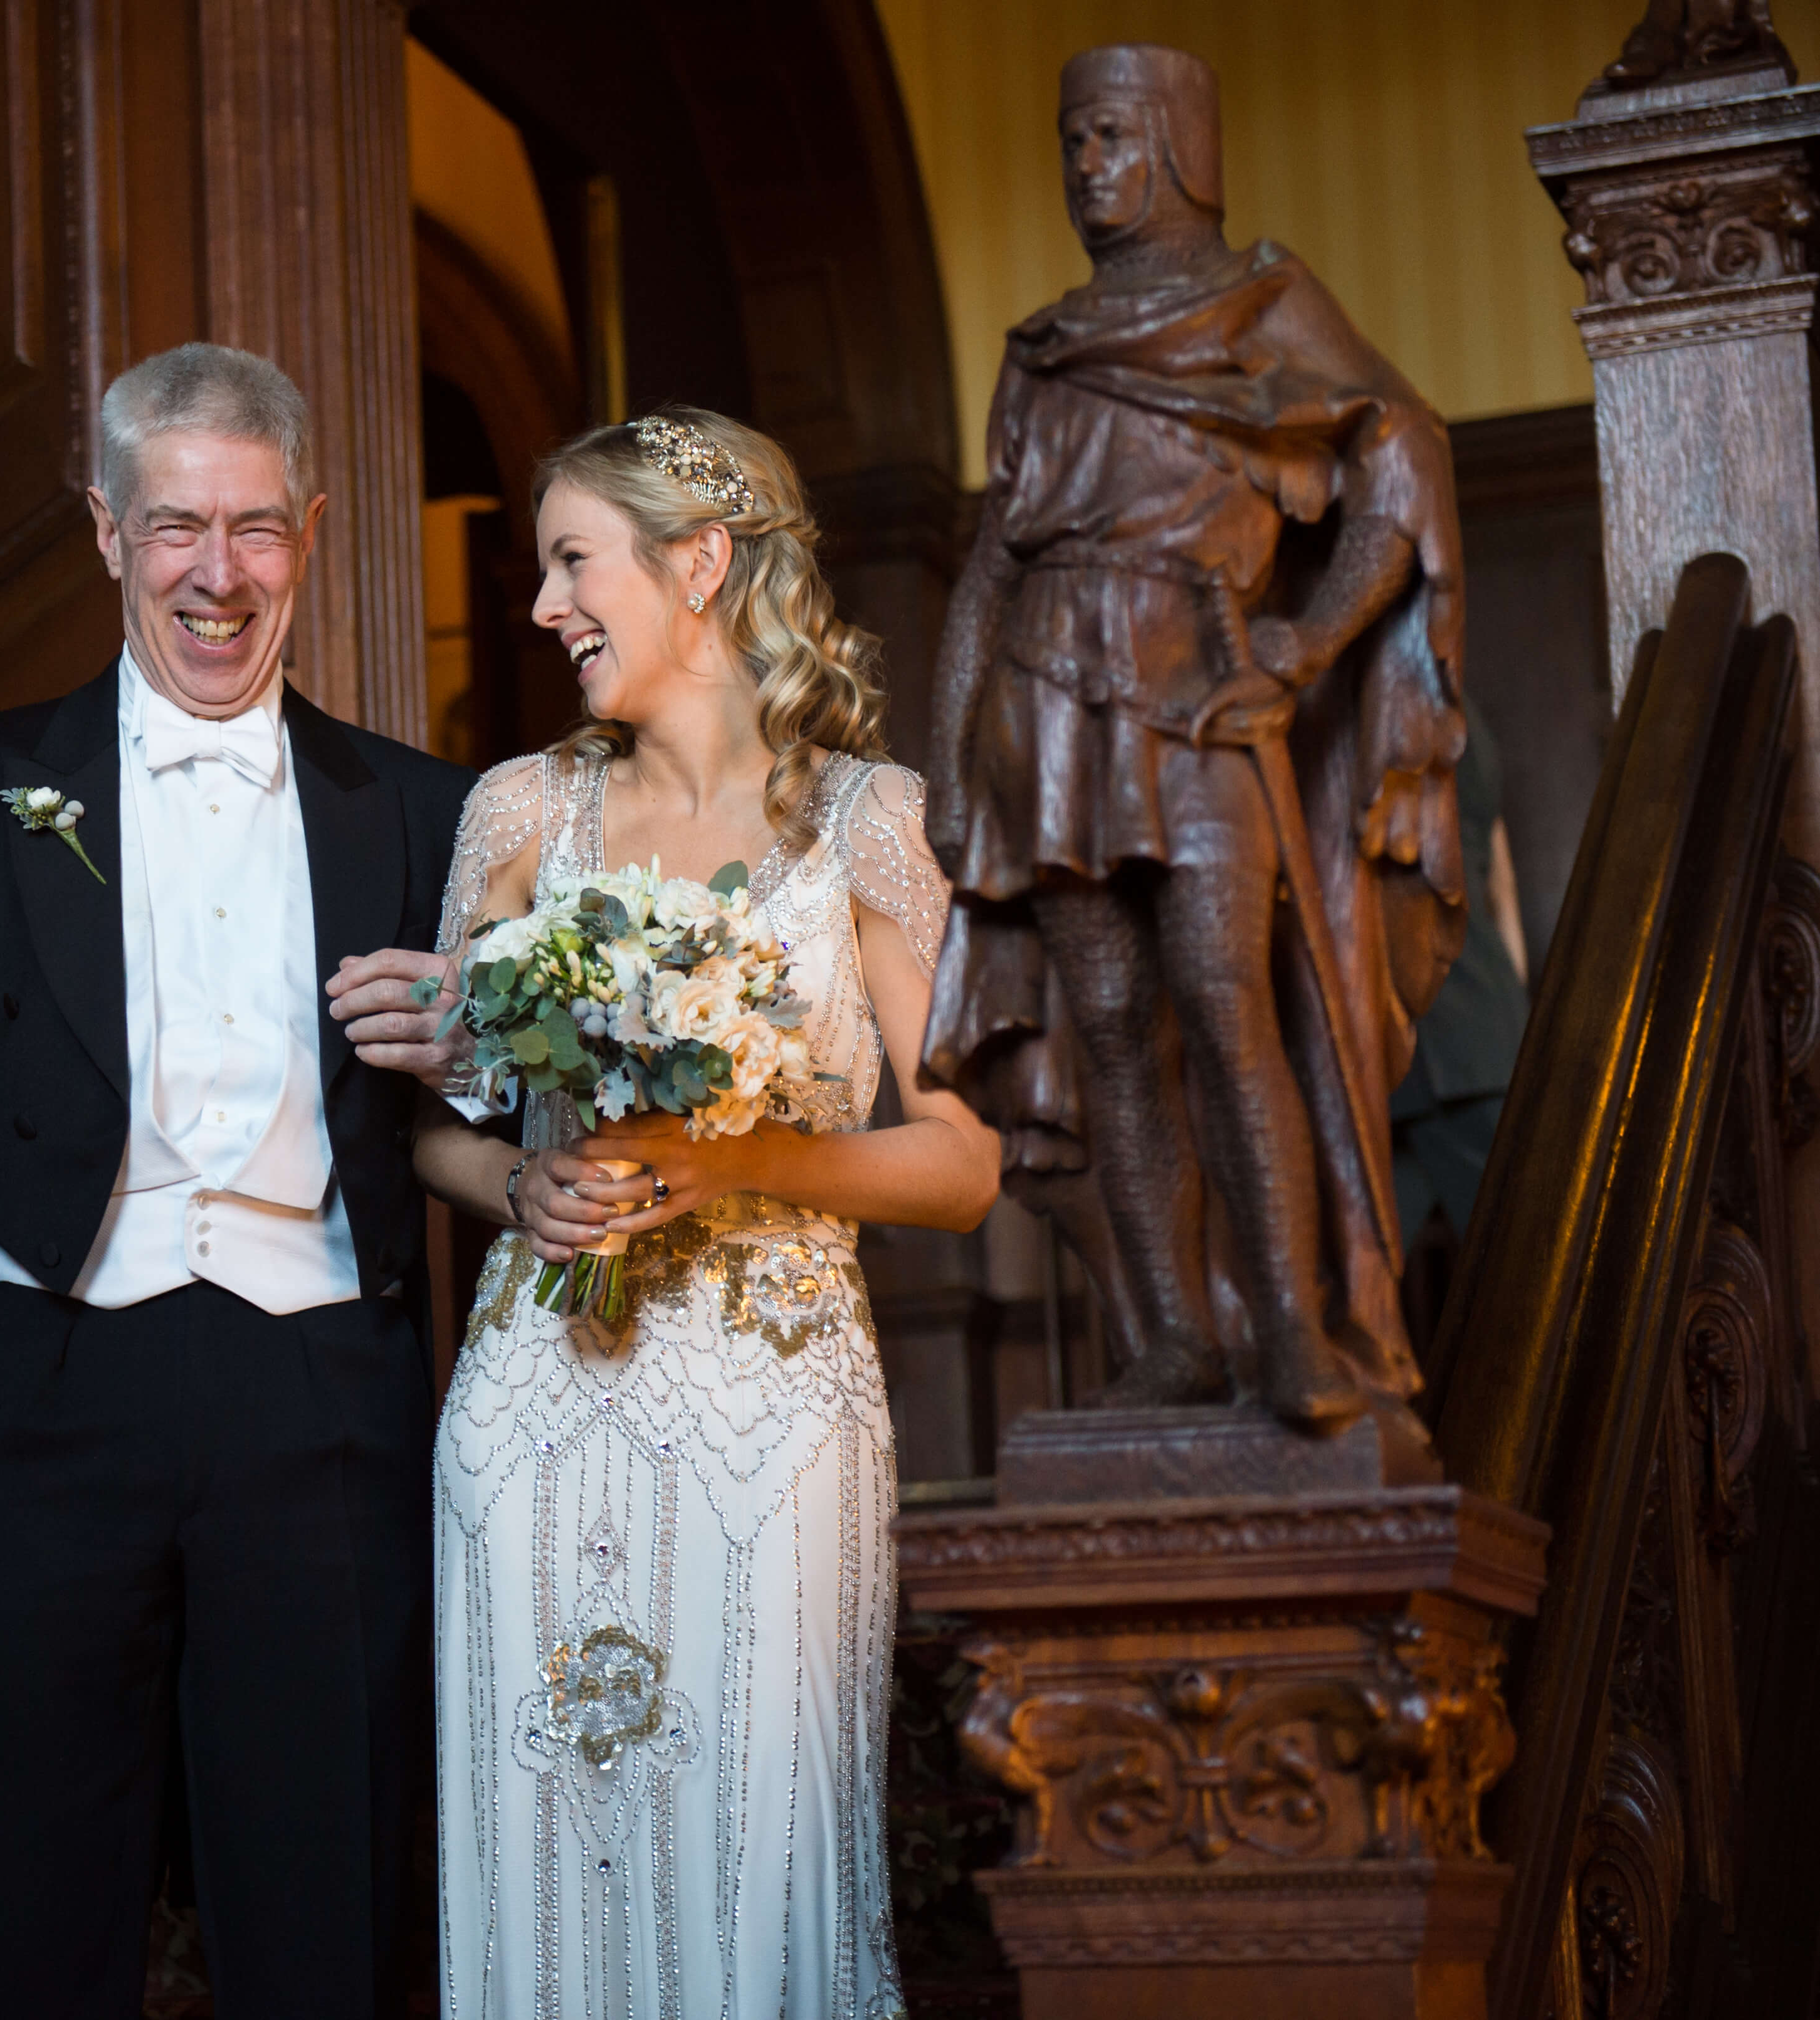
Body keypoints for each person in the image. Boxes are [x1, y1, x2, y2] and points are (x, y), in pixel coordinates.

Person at [0, 342, 473, 2019]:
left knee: (325, 1920)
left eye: (254, 528)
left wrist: (474, 1052)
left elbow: (506, 1126)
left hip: (324, 1394)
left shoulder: (427, 810)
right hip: (47, 1392)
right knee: (19, 1919)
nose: (216, 574)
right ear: (107, 531)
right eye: (176, 525)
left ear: (309, 533)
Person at [377, 409, 999, 2018]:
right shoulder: (518, 812)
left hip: (771, 1408)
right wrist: (520, 1181)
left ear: (700, 564)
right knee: (544, 1858)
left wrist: (738, 1162)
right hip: (535, 1399)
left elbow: (963, 1162)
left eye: (573, 562)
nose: (543, 608)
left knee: (761, 1851)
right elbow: (436, 1136)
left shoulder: (868, 820)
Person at [918, 43, 1466, 1434]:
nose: (1086, 166)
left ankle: (1293, 1331)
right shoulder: (1042, 347)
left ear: (1175, 140)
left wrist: (1310, 641)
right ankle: (1172, 1339)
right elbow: (989, 564)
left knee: (1227, 1000)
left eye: (1110, 135)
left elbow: (1399, 462)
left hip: (1202, 688)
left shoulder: (1261, 302)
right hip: (1044, 702)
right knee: (1109, 1023)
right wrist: (948, 762)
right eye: (1072, 142)